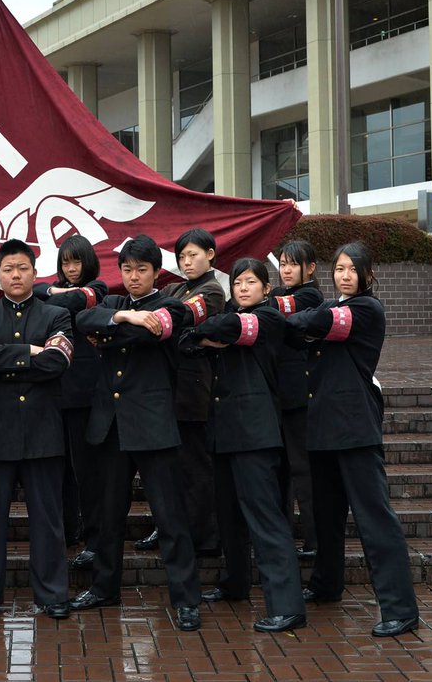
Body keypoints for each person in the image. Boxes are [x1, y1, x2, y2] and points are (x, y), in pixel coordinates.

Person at [285, 241, 420, 638]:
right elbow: (300, 328)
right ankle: (326, 585)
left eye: (352, 269)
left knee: (374, 518)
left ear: (368, 274)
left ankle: (400, 609)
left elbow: (309, 324)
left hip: (355, 430)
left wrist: (290, 317)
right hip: (322, 428)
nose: (344, 275)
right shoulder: (330, 307)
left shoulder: (365, 309)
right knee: (325, 517)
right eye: (339, 268)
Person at [71, 235, 202, 631]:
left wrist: (112, 332)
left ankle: (186, 600)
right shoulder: (113, 304)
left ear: (156, 272)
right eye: (126, 269)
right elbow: (81, 320)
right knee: (108, 514)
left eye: (141, 270)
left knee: (169, 516)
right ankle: (104, 587)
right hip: (110, 425)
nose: (132, 277)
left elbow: (148, 334)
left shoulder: (171, 306)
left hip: (152, 422)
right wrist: (123, 318)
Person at [181, 258, 306, 633]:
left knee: (265, 520)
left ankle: (288, 607)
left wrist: (207, 333)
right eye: (237, 283)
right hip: (223, 433)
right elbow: (186, 343)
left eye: (251, 282)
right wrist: (204, 336)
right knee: (229, 518)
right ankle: (235, 583)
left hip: (256, 434)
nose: (243, 288)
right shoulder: (238, 319)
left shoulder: (268, 319)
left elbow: (226, 325)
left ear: (267, 289)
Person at [0, 238, 74, 621]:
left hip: (44, 430)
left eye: (22, 268)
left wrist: (4, 357)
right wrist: (31, 352)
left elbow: (58, 362)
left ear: (33, 272)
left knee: (48, 519)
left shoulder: (56, 314)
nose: (15, 274)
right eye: (8, 268)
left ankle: (52, 594)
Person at [135, 228, 225, 557]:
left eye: (194, 255)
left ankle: (205, 538)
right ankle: (169, 526)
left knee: (195, 468)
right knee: (170, 469)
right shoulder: (176, 286)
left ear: (211, 254)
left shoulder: (212, 291)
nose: (187, 262)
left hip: (194, 391)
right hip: (169, 391)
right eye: (182, 257)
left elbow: (179, 314)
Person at [33, 235, 108, 570]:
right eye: (65, 263)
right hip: (54, 392)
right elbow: (36, 292)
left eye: (76, 262)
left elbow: (76, 301)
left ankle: (95, 539)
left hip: (87, 393)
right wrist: (52, 291)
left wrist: (52, 294)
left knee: (88, 471)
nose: (71, 268)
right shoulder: (51, 288)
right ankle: (66, 531)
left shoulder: (100, 287)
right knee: (57, 469)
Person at [270, 239, 324, 559]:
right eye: (282, 263)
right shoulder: (277, 295)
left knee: (303, 471)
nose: (286, 270)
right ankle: (282, 536)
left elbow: (275, 310)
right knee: (280, 471)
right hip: (277, 396)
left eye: (292, 264)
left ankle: (316, 541)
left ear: (310, 268)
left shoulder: (310, 296)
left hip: (299, 397)